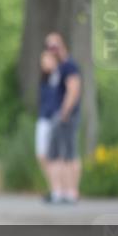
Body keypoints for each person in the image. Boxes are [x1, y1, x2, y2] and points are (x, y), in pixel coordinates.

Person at [45, 32, 82, 204]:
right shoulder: (58, 68)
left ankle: (72, 191)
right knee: (56, 154)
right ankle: (60, 191)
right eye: (49, 47)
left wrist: (65, 112)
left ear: (62, 46)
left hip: (66, 116)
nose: (52, 51)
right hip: (56, 115)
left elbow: (74, 90)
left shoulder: (69, 66)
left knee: (69, 154)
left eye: (54, 47)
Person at [36, 48, 62, 203]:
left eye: (46, 60)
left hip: (53, 119)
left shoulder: (58, 77)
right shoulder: (45, 78)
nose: (44, 63)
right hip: (43, 118)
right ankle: (53, 187)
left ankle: (57, 191)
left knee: (53, 156)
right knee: (42, 155)